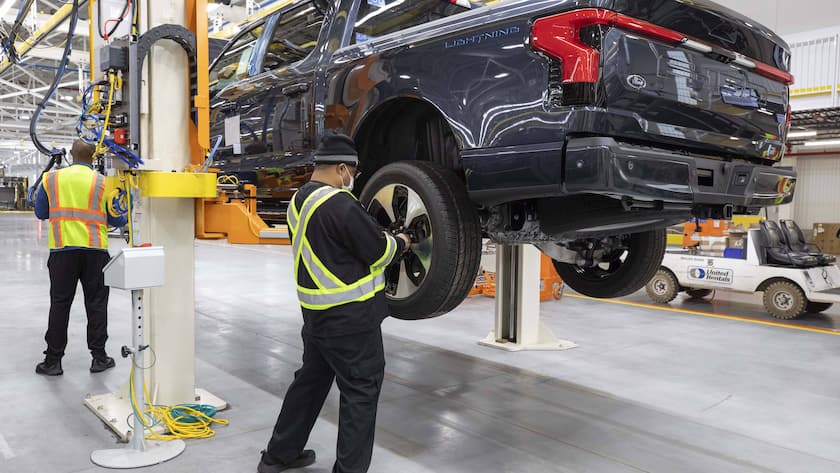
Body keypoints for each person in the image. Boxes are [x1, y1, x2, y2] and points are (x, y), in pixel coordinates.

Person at [258, 132, 411, 473]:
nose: (351, 178)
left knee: (310, 383)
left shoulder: (299, 200)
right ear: (342, 168)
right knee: (361, 390)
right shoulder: (340, 204)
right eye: (352, 172)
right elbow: (379, 251)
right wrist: (401, 241)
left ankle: (278, 456)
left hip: (316, 318)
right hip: (351, 320)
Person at [33, 140, 127, 376]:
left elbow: (41, 212)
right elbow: (117, 219)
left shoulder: (51, 179)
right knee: (96, 304)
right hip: (95, 252)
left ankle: (53, 361)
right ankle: (99, 357)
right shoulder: (104, 183)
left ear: (72, 154)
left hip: (62, 250)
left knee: (60, 304)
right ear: (93, 156)